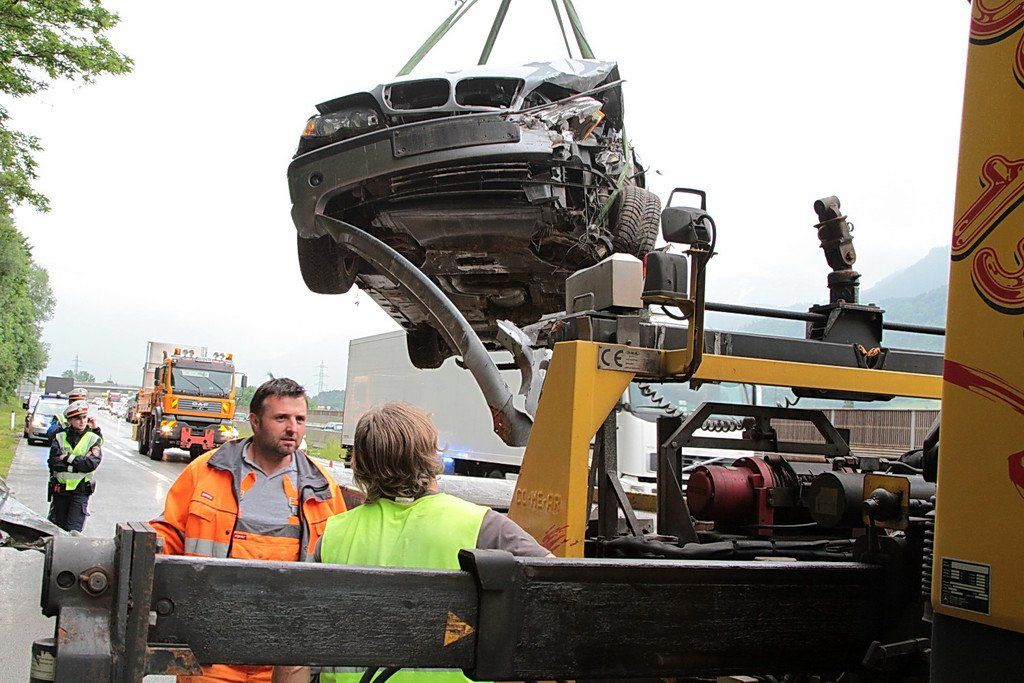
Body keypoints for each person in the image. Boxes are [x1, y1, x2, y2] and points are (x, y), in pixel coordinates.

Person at [281, 402, 550, 683]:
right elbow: (557, 591)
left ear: (362, 465)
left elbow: (295, 654)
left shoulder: (335, 535)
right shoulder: (483, 526)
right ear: (430, 455)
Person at [151, 378, 346, 683]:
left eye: (300, 419)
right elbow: (169, 535)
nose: (292, 428)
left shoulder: (322, 487)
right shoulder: (207, 471)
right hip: (209, 655)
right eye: (281, 418)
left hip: (284, 662)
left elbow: (339, 561)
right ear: (255, 421)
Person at [47, 400, 102, 533]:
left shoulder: (93, 439)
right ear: (70, 420)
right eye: (77, 418)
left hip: (80, 491)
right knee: (56, 529)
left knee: (73, 532)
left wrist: (67, 458)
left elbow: (90, 464)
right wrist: (77, 464)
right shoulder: (60, 437)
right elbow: (53, 462)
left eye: (84, 417)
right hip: (60, 490)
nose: (82, 421)